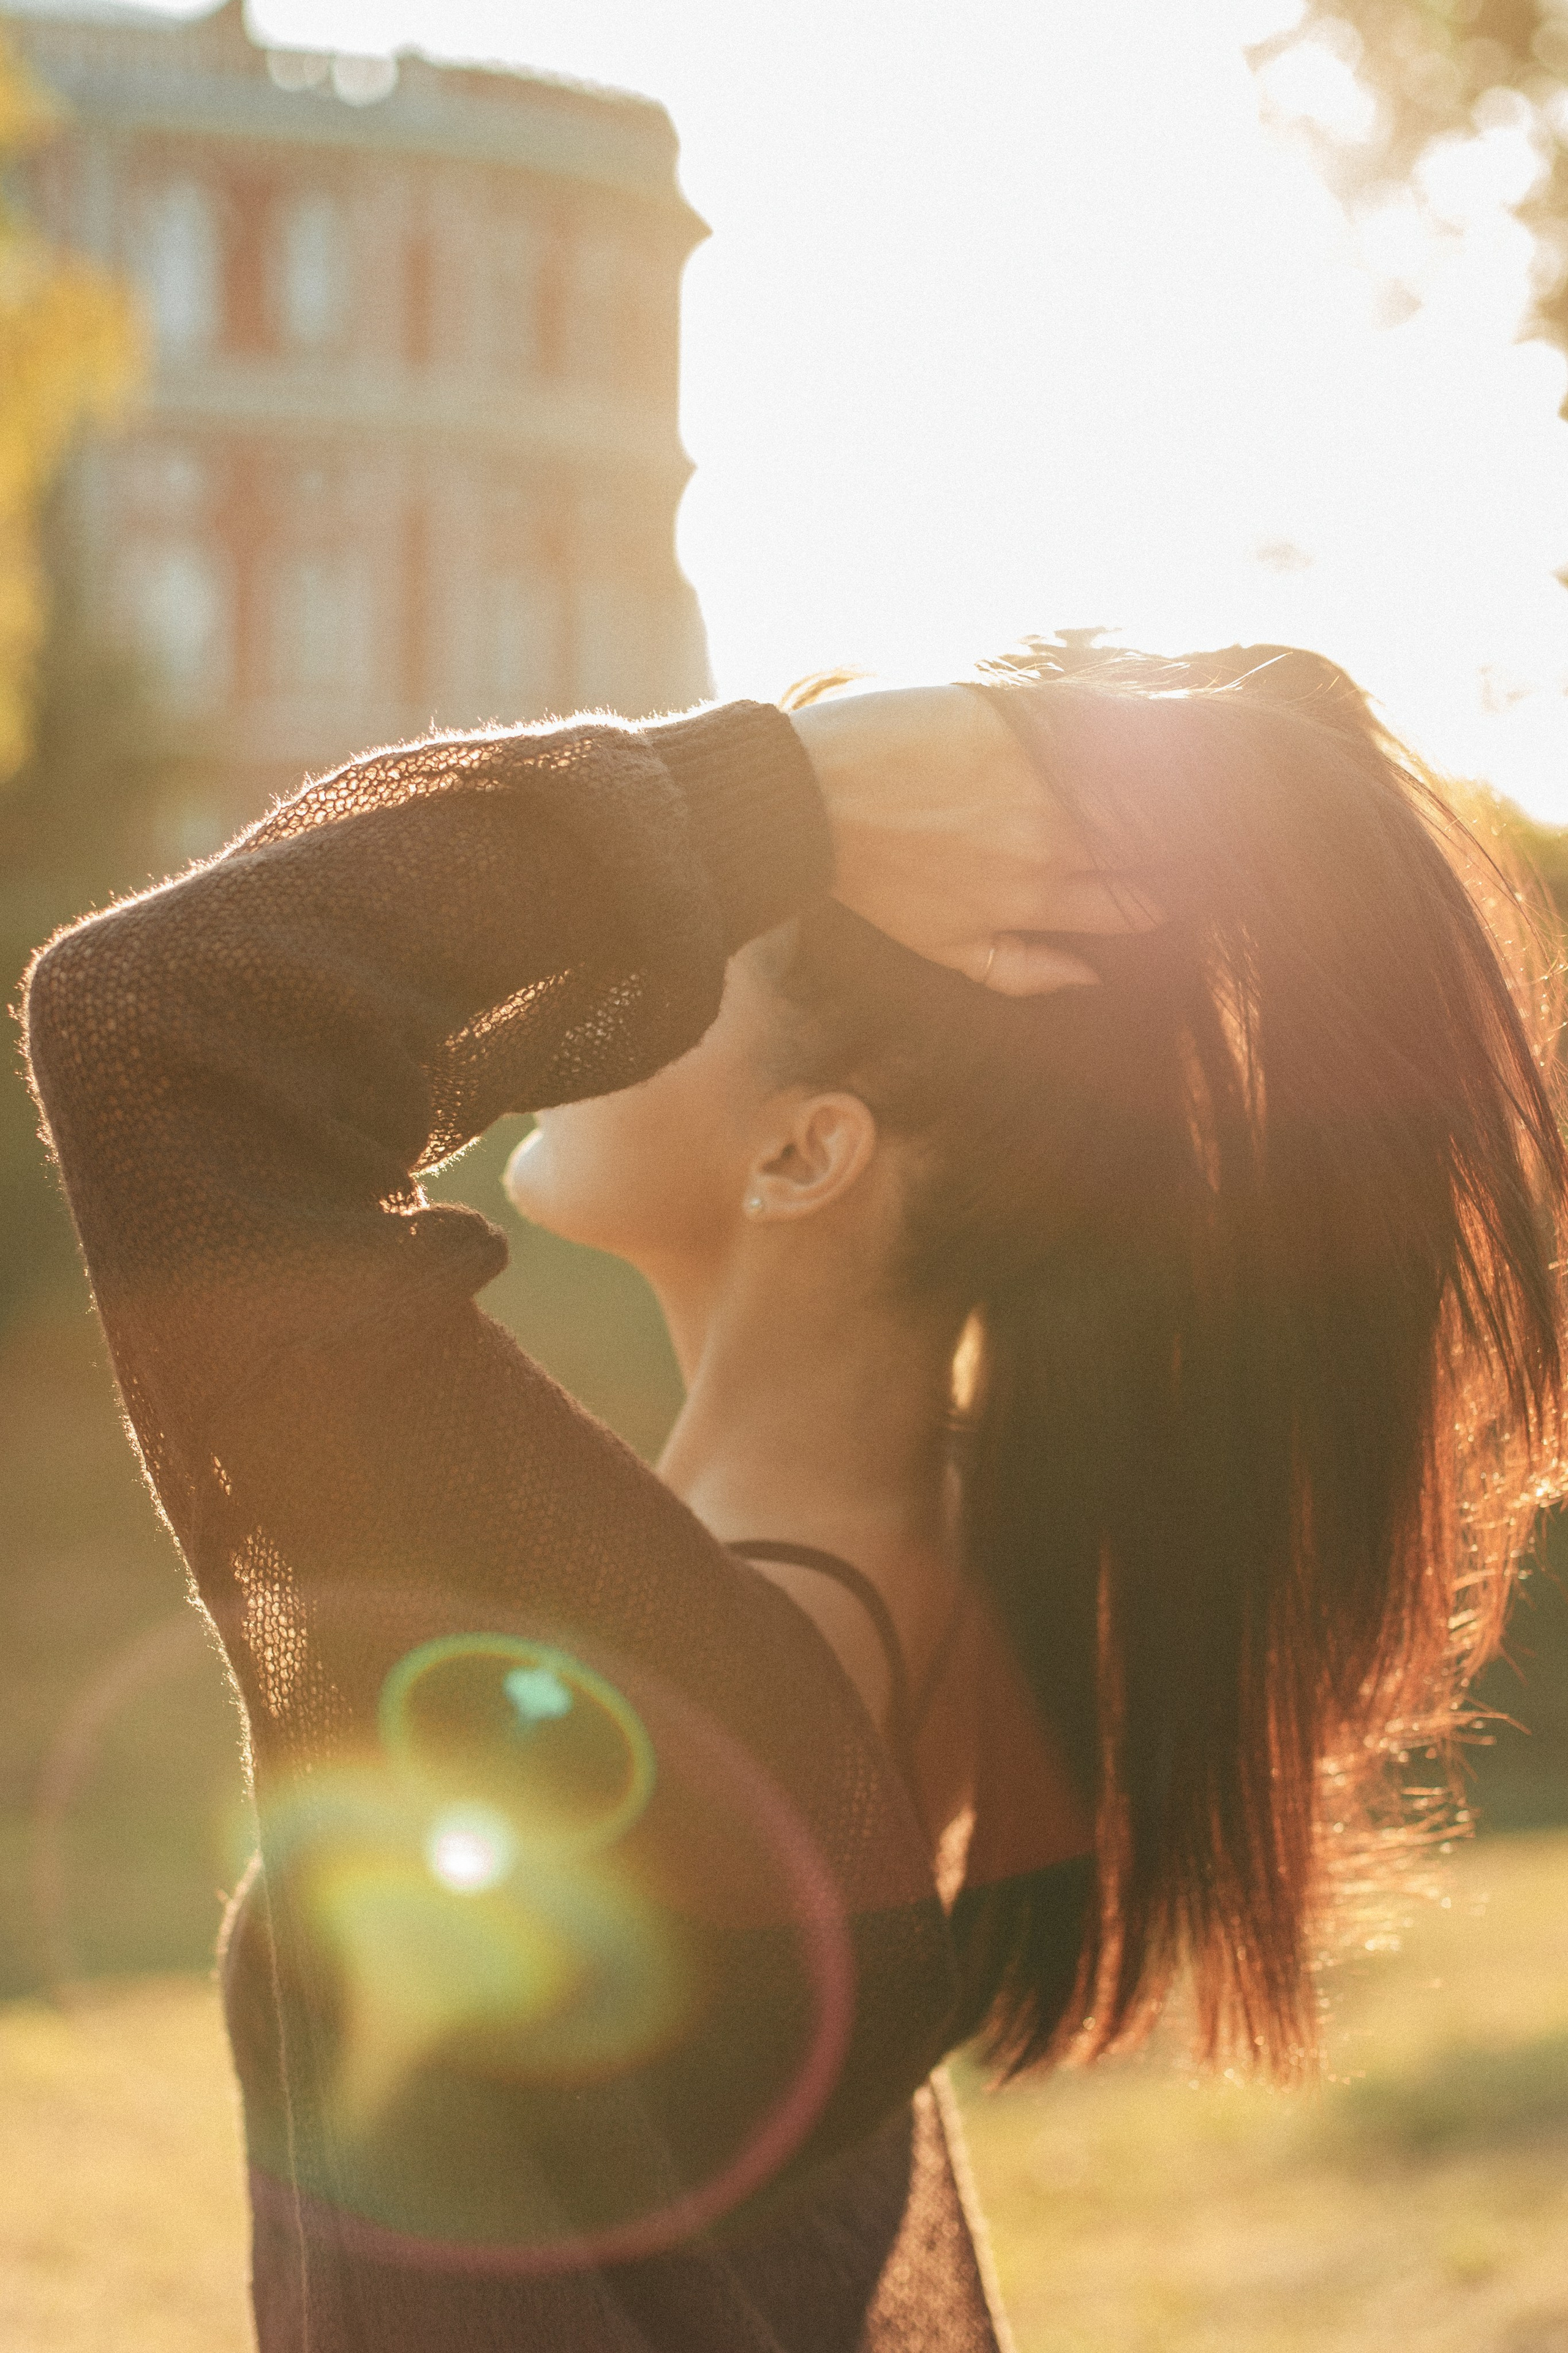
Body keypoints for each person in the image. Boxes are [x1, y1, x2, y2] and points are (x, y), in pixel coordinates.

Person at [23, 638, 1564, 2352]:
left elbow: (158, 1027)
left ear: (807, 1150)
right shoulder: (944, 1600)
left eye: (691, 939)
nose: (605, 970)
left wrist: (785, 795)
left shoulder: (659, 1693)